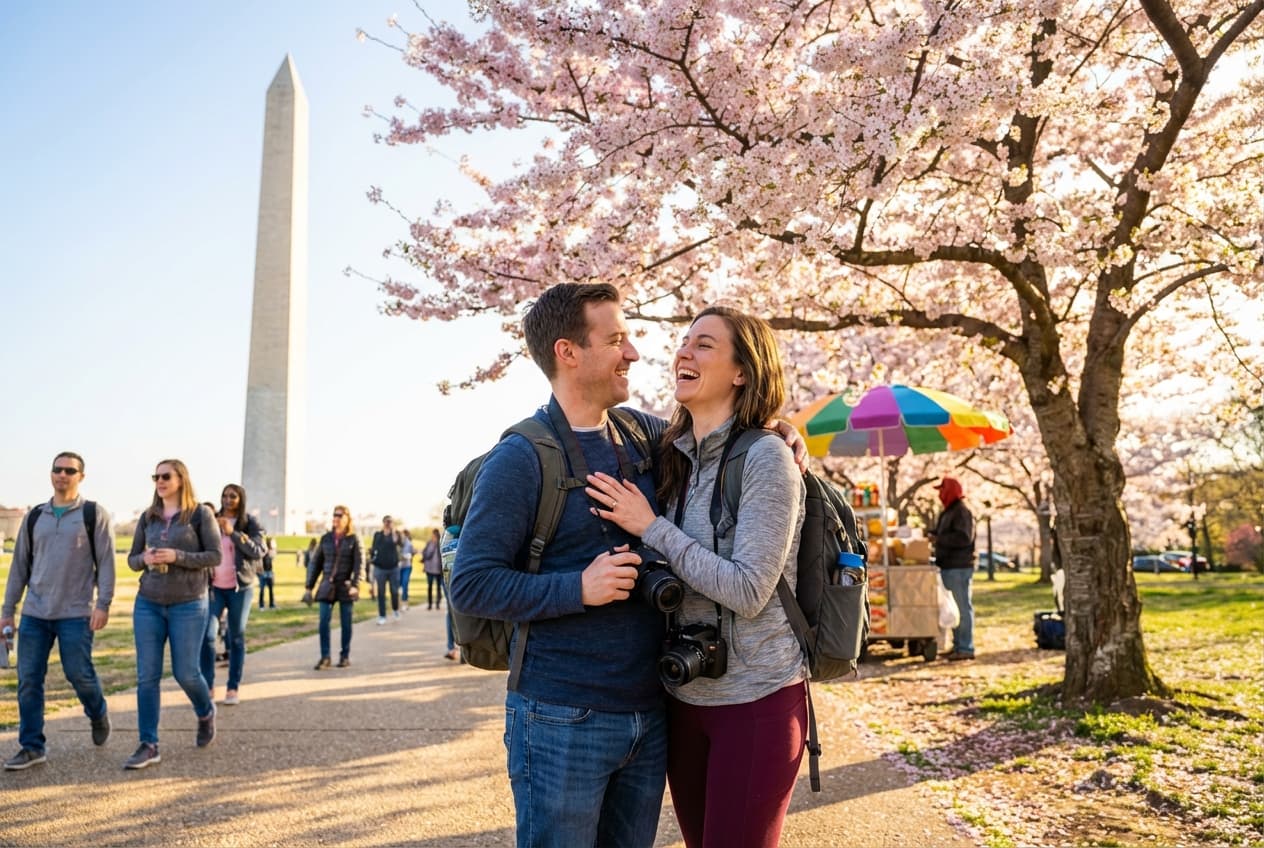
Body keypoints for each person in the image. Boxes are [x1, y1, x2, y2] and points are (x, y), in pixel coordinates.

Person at [585, 306, 808, 848]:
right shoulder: (673, 455)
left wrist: (652, 527)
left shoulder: (766, 459)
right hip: (685, 698)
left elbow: (749, 590)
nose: (684, 352)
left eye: (704, 344)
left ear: (742, 371)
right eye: (684, 343)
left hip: (756, 702)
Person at [2, 452, 115, 771]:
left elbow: (106, 563)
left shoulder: (94, 514)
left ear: (81, 476)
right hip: (36, 613)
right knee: (28, 680)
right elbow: (19, 566)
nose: (62, 475)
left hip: (76, 613)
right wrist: (8, 610)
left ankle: (97, 711)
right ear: (51, 474)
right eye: (57, 469)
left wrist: (103, 604)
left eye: (70, 470)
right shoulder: (35, 515)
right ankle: (32, 746)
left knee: (78, 673)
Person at [125, 459, 223, 769]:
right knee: (147, 676)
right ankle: (149, 743)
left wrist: (177, 555)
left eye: (166, 476)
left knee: (186, 673)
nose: (160, 481)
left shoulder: (200, 514)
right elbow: (131, 560)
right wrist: (145, 557)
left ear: (181, 479)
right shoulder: (148, 516)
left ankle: (205, 711)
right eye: (155, 476)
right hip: (148, 602)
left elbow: (215, 555)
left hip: (189, 603)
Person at [200, 484, 265, 706]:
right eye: (225, 496)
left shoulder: (249, 523)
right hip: (214, 587)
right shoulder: (212, 519)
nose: (228, 500)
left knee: (236, 637)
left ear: (241, 499)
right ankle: (207, 686)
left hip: (241, 587)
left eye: (233, 496)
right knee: (207, 636)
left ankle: (232, 687)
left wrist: (233, 533)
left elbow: (258, 550)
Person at [304, 506, 363, 669]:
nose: (335, 518)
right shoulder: (326, 539)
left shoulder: (354, 539)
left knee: (346, 623)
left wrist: (356, 585)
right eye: (334, 515)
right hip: (327, 585)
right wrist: (309, 586)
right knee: (323, 621)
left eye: (339, 515)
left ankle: (344, 656)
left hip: (345, 586)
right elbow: (315, 563)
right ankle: (325, 657)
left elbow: (360, 565)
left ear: (347, 518)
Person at [929, 475, 976, 661]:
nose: (940, 494)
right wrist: (932, 534)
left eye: (942, 489)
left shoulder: (961, 511)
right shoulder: (948, 510)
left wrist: (939, 539)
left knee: (962, 608)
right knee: (954, 608)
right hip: (948, 565)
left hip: (959, 566)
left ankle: (965, 647)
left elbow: (964, 537)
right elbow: (945, 532)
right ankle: (958, 645)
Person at [369, 516, 401, 624]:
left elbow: (397, 542)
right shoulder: (378, 535)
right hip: (380, 568)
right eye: (386, 522)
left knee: (394, 591)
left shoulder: (395, 534)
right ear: (383, 522)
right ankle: (382, 616)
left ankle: (395, 610)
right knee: (381, 593)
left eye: (390, 522)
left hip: (393, 568)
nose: (388, 523)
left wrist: (393, 531)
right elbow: (374, 548)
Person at [421, 528, 443, 611]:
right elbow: (424, 553)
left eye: (435, 534)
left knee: (438, 587)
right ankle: (430, 604)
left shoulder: (440, 543)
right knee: (429, 586)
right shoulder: (429, 543)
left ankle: (437, 603)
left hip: (438, 570)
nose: (434, 536)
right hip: (429, 569)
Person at [258, 536, 277, 610]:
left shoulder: (271, 551)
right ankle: (261, 605)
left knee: (271, 590)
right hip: (263, 572)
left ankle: (271, 604)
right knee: (262, 590)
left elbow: (273, 556)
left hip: (270, 572)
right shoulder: (263, 550)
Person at [398, 528, 415, 612]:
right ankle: (399, 604)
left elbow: (412, 553)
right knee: (398, 586)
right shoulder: (397, 543)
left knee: (405, 584)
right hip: (398, 567)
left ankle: (405, 603)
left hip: (407, 567)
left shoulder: (409, 543)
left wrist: (408, 556)